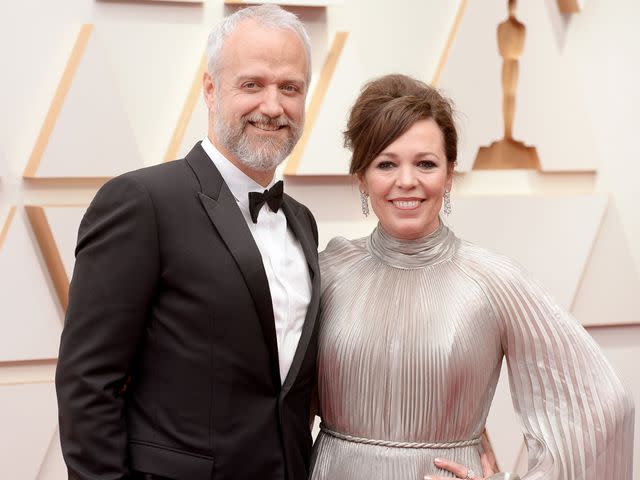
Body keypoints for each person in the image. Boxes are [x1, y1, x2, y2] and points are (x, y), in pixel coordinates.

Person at [310, 74, 634, 480]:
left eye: (425, 163)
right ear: (362, 177)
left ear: (449, 176)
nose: (406, 181)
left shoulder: (492, 280)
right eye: (386, 163)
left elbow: (601, 407)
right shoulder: (327, 272)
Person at [56, 5, 320, 480]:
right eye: (252, 84)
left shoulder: (302, 221)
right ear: (211, 90)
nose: (273, 106)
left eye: (290, 88)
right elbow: (87, 385)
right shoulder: (141, 202)